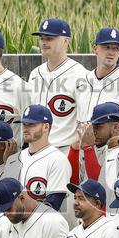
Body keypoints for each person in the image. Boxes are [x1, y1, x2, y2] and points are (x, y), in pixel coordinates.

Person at [27, 18, 88, 150]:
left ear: (66, 41)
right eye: (42, 38)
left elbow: (85, 121)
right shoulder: (34, 74)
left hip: (65, 150)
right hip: (35, 149)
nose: (44, 42)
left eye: (50, 38)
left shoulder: (80, 75)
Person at [14, 104, 71, 211]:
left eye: (31, 124)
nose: (25, 129)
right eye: (24, 124)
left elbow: (53, 205)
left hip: (44, 224)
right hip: (17, 223)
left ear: (46, 127)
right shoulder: (17, 158)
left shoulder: (58, 160)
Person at [76, 27, 119, 123]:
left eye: (115, 48)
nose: (111, 52)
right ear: (95, 49)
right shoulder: (82, 80)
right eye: (107, 47)